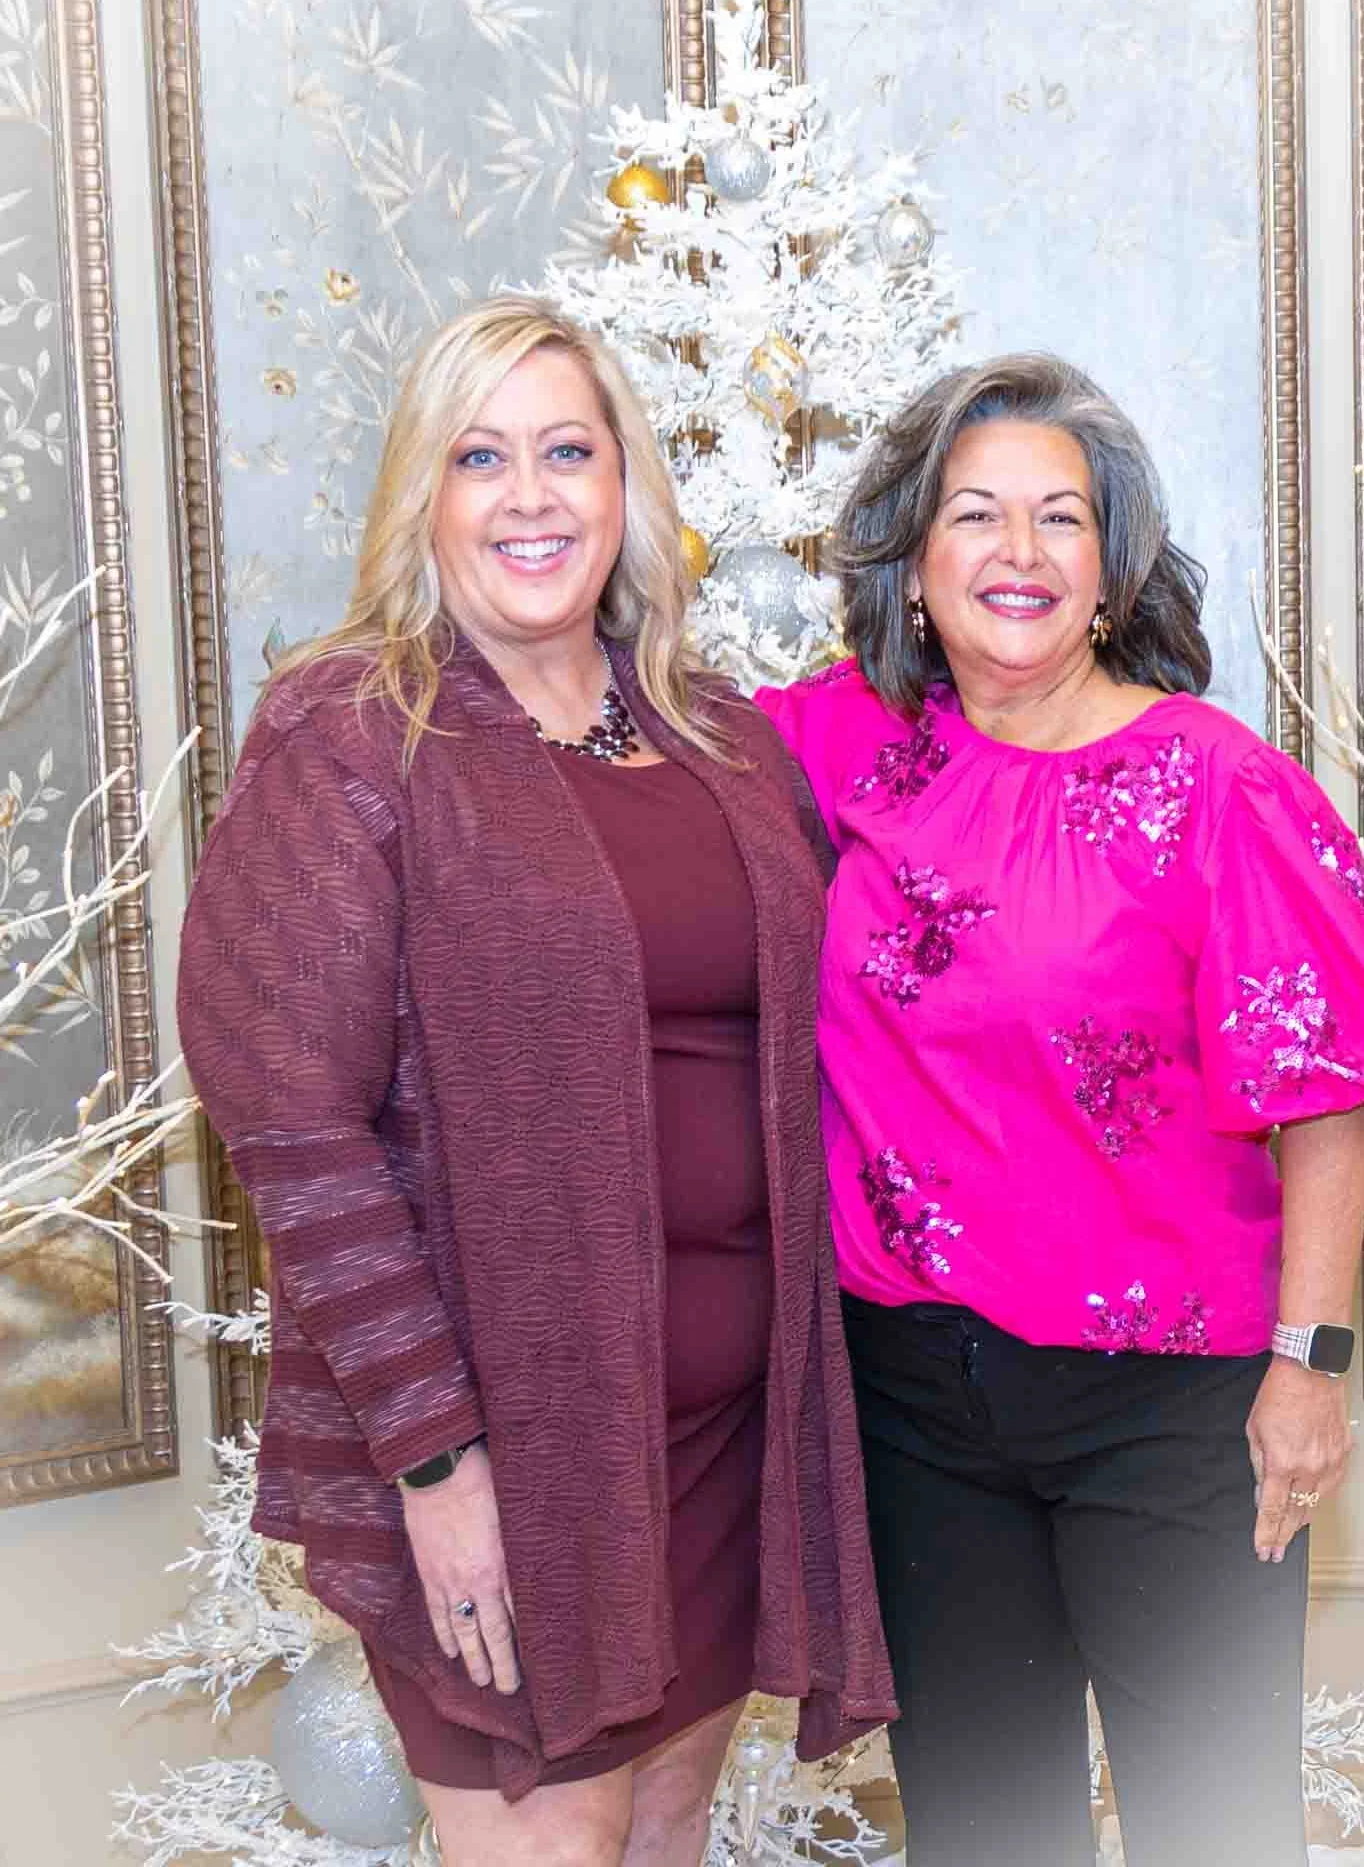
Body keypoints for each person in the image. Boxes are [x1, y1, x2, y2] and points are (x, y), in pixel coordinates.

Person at [177, 296, 894, 1867]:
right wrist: (436, 1465)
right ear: (422, 499)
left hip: (725, 1436)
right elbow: (295, 1124)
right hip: (507, 1449)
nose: (530, 495)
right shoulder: (355, 735)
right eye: (479, 456)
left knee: (666, 1824)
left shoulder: (717, 738)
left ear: (625, 486)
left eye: (568, 451)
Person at [757, 353, 1364, 1867]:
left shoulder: (1216, 788)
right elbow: (610, 780)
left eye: (1059, 519)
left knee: (1217, 1828)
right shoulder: (831, 748)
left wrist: (1312, 1364)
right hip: (919, 1403)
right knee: (984, 1831)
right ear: (914, 560)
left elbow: (1323, 1093)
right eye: (976, 516)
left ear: (1110, 563)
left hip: (1176, 1411)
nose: (1018, 554)